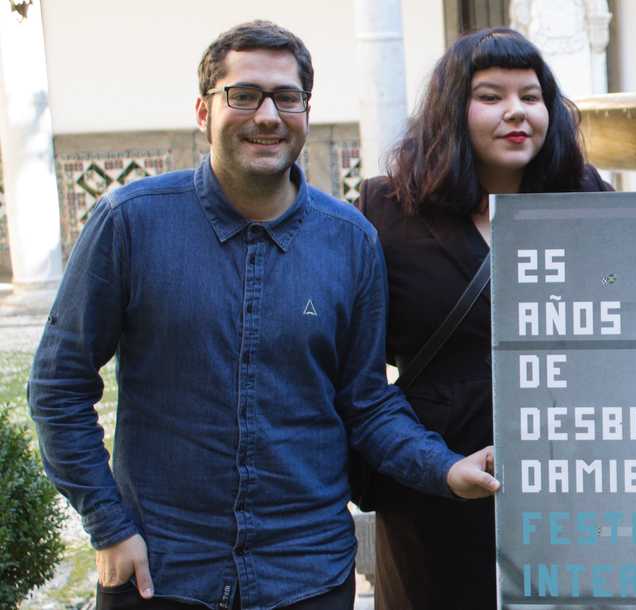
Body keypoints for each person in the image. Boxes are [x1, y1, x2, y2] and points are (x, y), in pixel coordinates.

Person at [26, 21, 498, 610]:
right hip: (164, 571)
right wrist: (110, 526)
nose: (268, 116)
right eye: (244, 95)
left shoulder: (350, 241)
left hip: (308, 575)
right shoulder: (129, 223)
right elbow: (58, 386)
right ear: (204, 111)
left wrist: (445, 469)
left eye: (286, 98)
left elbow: (366, 403)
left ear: (306, 112)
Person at [355, 26, 611, 609]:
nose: (516, 111)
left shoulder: (585, 197)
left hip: (563, 493)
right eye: (491, 96)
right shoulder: (387, 209)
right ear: (451, 110)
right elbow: (360, 379)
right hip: (433, 493)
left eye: (531, 96)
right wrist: (437, 466)